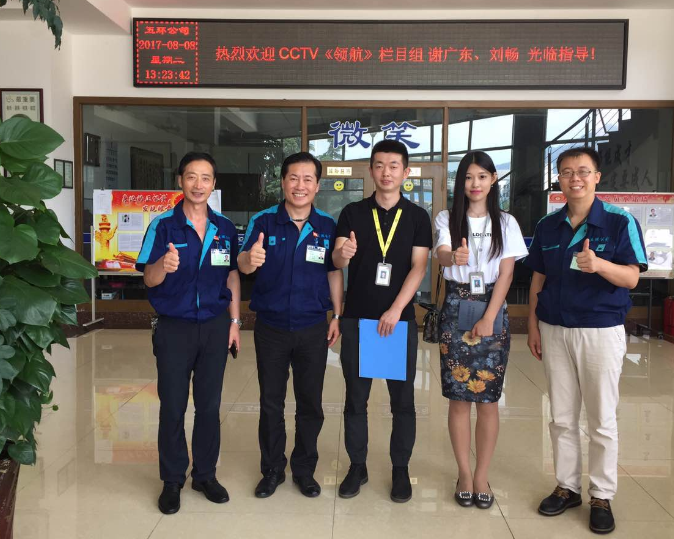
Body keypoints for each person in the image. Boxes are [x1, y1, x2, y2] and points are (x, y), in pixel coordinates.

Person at [526, 147, 647, 535]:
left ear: (597, 177)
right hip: (554, 329)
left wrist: (600, 265)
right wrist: (533, 325)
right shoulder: (548, 225)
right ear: (559, 180)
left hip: (600, 330)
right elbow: (539, 277)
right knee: (561, 416)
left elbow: (632, 277)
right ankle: (567, 487)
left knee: (601, 418)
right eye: (566, 172)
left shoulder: (618, 221)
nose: (574, 178)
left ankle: (601, 495)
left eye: (582, 171)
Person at [136, 151, 241, 515]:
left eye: (206, 178)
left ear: (213, 184)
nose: (198, 184)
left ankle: (205, 475)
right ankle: (172, 480)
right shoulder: (163, 226)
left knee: (209, 406)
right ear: (180, 180)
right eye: (192, 177)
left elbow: (231, 276)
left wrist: (234, 323)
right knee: (173, 406)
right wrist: (162, 266)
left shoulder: (224, 228)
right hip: (174, 327)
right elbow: (148, 279)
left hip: (214, 326)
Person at [238, 152, 343, 499]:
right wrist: (249, 260)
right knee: (271, 402)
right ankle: (272, 470)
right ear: (283, 182)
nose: (300, 185)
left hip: (312, 326)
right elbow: (241, 263)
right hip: (271, 327)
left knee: (310, 402)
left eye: (308, 179)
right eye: (293, 178)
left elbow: (334, 272)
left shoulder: (327, 225)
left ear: (317, 185)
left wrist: (337, 315)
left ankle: (304, 470)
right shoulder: (264, 221)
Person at [332, 140, 432, 503]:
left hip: (397, 323)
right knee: (355, 399)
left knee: (401, 401)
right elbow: (337, 261)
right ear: (371, 170)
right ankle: (357, 466)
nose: (386, 172)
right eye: (379, 165)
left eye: (393, 166)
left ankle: (400, 468)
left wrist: (395, 310)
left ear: (406, 172)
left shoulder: (417, 217)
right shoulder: (352, 212)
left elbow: (419, 267)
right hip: (358, 320)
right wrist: (342, 253)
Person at [434, 151, 527, 509]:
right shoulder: (447, 217)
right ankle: (463, 472)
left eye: (482, 177)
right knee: (459, 397)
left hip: (492, 306)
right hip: (456, 306)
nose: (475, 184)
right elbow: (442, 253)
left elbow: (507, 273)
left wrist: (489, 316)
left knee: (488, 399)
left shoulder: (506, 222)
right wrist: (452, 258)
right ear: (461, 182)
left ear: (492, 180)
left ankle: (482, 475)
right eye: (469, 177)